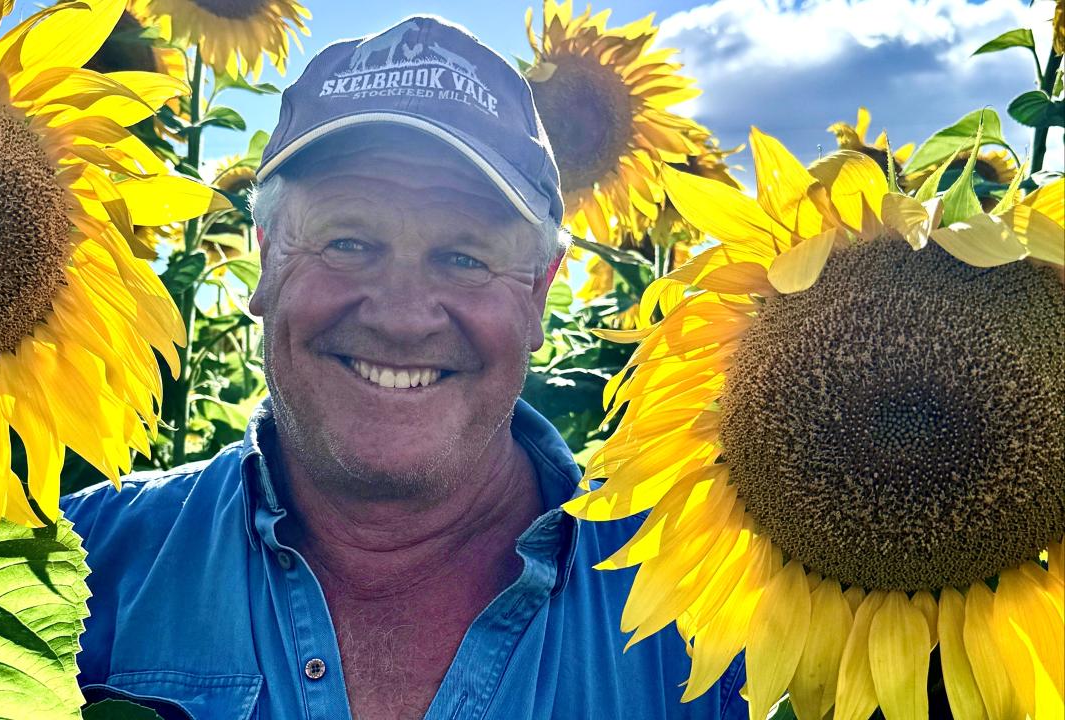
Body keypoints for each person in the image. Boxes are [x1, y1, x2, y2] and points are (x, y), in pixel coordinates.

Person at [62, 16, 747, 720]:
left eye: (464, 258)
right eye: (349, 242)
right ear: (265, 262)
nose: (400, 315)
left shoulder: (701, 615)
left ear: (540, 293)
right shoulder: (76, 573)